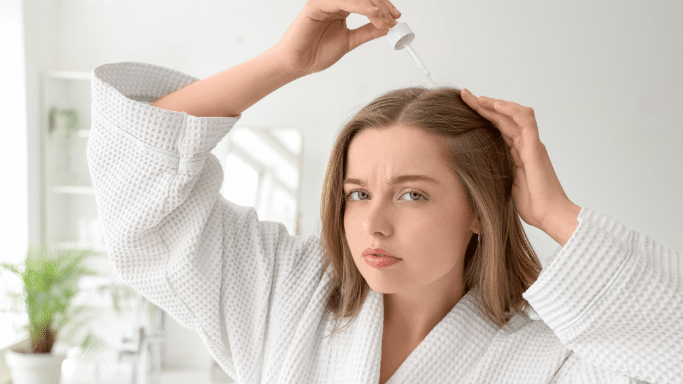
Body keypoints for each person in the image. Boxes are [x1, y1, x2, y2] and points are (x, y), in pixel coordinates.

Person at [86, 0, 682, 383]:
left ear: (479, 209)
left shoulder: (549, 358)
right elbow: (136, 187)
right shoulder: (284, 294)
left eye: (413, 194)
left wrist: (554, 212)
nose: (373, 225)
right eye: (358, 194)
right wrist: (284, 62)